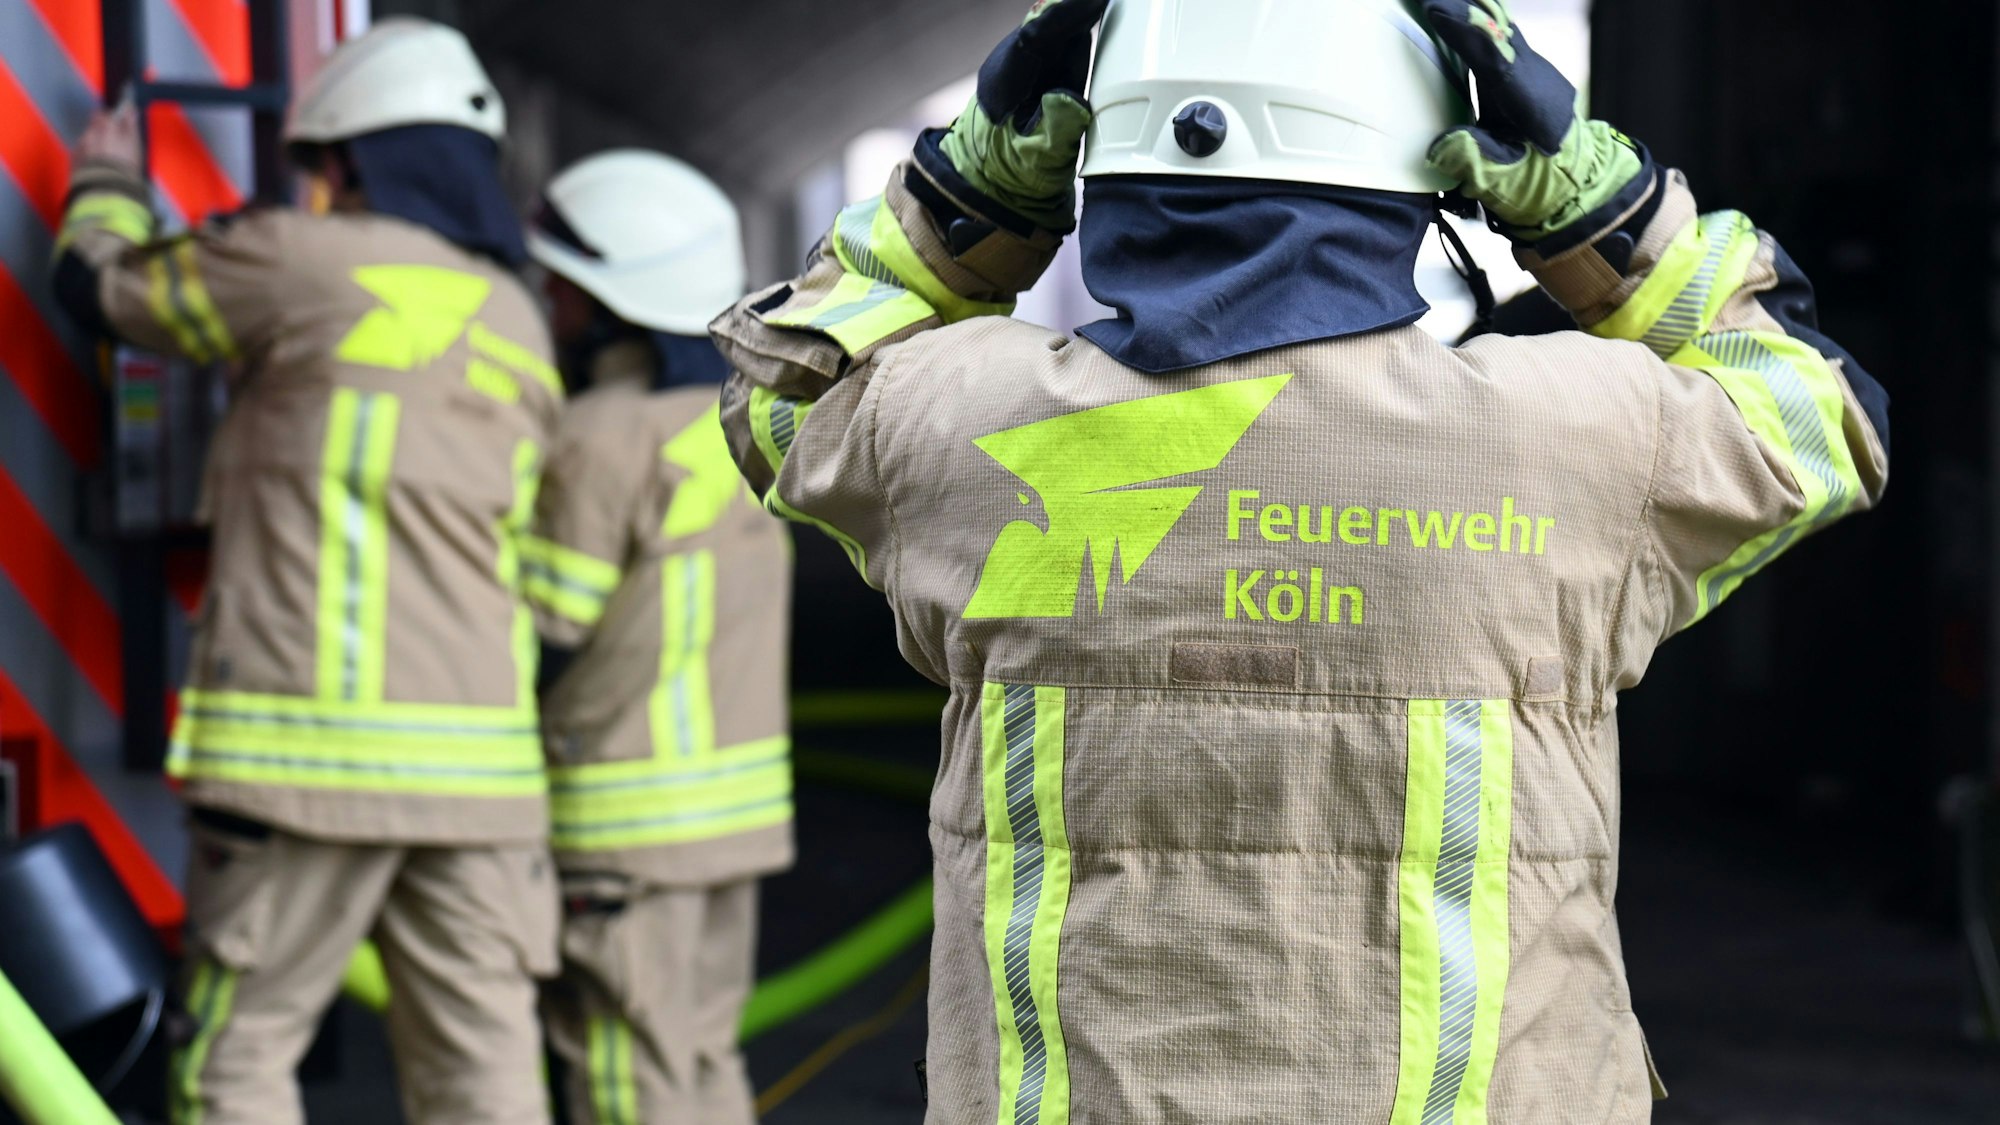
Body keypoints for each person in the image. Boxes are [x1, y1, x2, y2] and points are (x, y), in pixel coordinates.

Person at [710, 0, 1889, 1120]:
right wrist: (1607, 223)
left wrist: (963, 204)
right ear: (1413, 194)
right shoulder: (1574, 444)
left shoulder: (957, 430)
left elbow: (782, 382)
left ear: (1106, 182)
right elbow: (1818, 414)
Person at [52, 19, 563, 1125]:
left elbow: (103, 290)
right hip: (482, 782)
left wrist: (102, 179)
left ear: (346, 161)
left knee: (238, 1061)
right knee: (486, 1078)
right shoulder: (520, 318)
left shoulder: (294, 260)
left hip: (302, 764)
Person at [523, 149, 794, 1125]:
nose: (543, 305)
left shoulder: (599, 436)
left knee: (619, 1071)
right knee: (698, 1058)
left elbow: (541, 637)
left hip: (622, 827)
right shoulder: (744, 424)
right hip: (733, 818)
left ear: (604, 303)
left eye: (556, 285)